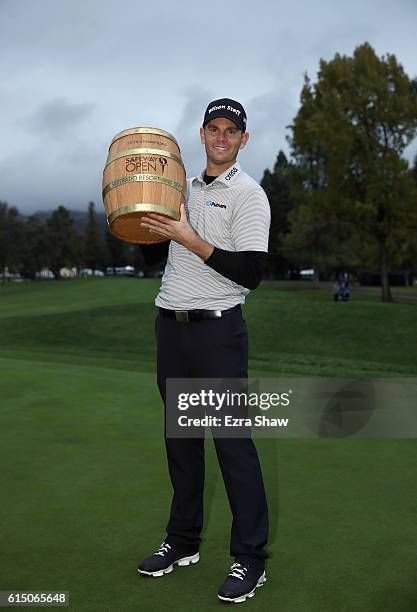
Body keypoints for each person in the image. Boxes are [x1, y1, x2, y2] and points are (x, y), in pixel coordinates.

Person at [136, 98, 271, 604]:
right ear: (201, 133)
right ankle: (183, 541)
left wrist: (191, 238)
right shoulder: (181, 187)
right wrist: (144, 217)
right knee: (182, 445)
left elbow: (253, 273)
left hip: (218, 333)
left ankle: (250, 559)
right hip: (172, 329)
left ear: (242, 140)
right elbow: (155, 249)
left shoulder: (249, 195)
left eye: (230, 131)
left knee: (232, 446)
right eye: (213, 128)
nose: (220, 137)